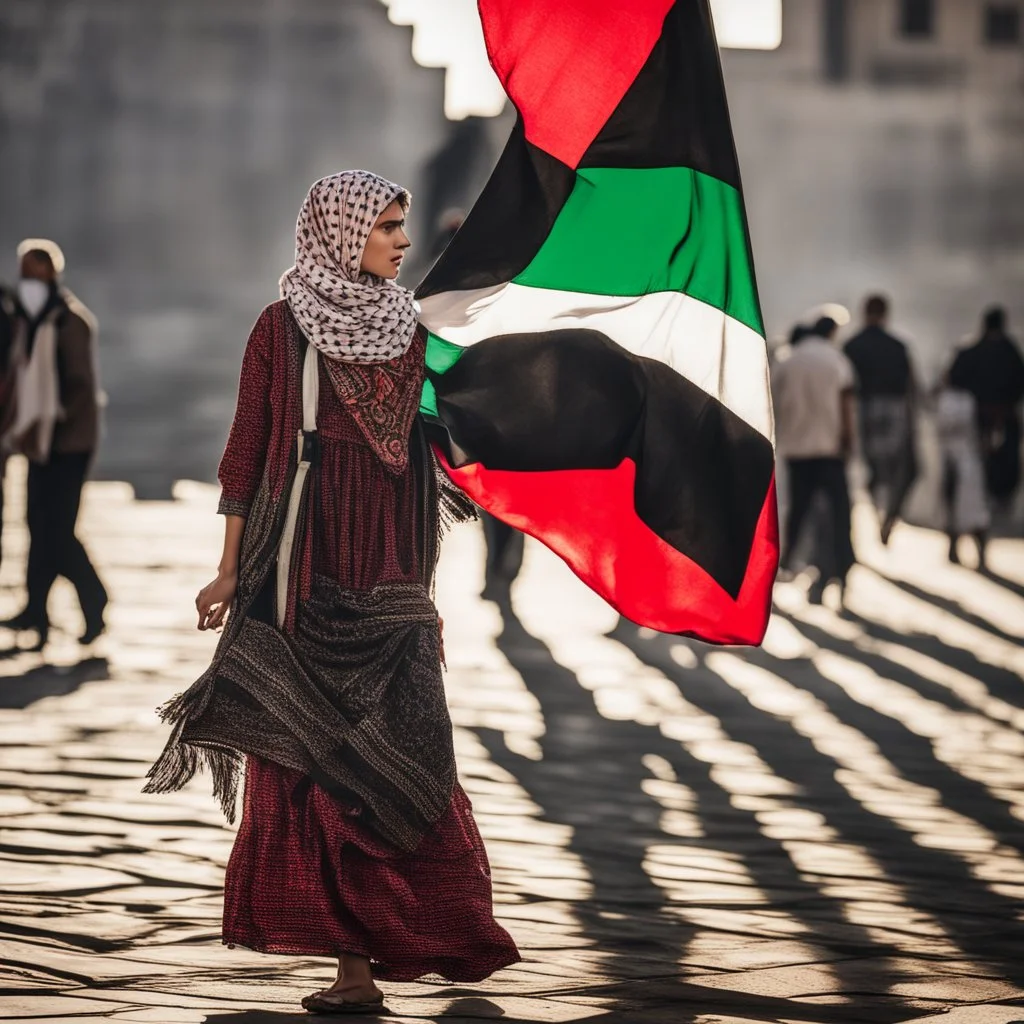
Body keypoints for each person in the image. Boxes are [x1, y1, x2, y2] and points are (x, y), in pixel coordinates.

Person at [144, 171, 519, 1013]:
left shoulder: (414, 329)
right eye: (387, 226)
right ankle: (351, 972)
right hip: (300, 565)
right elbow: (245, 451)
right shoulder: (280, 331)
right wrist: (229, 565)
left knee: (413, 745)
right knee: (312, 760)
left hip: (393, 565)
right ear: (341, 232)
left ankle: (441, 933)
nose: (400, 240)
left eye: (401, 226)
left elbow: (467, 419)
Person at [0, 240, 107, 651]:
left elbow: (79, 386)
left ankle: (95, 603)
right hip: (39, 441)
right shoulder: (30, 320)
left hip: (68, 443)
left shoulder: (69, 321)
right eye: (22, 269)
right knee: (36, 527)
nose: (25, 277)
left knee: (58, 533)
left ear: (49, 271)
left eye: (32, 269)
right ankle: (36, 614)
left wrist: (50, 420)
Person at [772, 315, 857, 605]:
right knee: (837, 515)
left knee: (799, 513)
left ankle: (785, 566)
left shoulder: (787, 362)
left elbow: (772, 404)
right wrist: (849, 442)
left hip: (797, 452)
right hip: (831, 451)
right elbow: (846, 403)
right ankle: (841, 573)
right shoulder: (836, 360)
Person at [843, 295, 918, 544]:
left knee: (873, 469)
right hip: (895, 411)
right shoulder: (898, 346)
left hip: (864, 409)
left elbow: (844, 387)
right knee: (900, 470)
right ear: (886, 314)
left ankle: (877, 514)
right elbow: (911, 388)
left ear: (864, 313)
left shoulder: (852, 345)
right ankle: (889, 517)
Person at [947, 307, 1024, 511]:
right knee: (1005, 461)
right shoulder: (1011, 351)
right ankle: (999, 497)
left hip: (979, 415)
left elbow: (955, 378)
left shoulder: (972, 351)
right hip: (1004, 416)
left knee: (977, 462)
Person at [935, 384, 990, 568]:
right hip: (963, 459)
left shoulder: (951, 400)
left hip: (962, 460)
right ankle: (962, 549)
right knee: (968, 509)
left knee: (967, 509)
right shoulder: (964, 400)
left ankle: (961, 549)